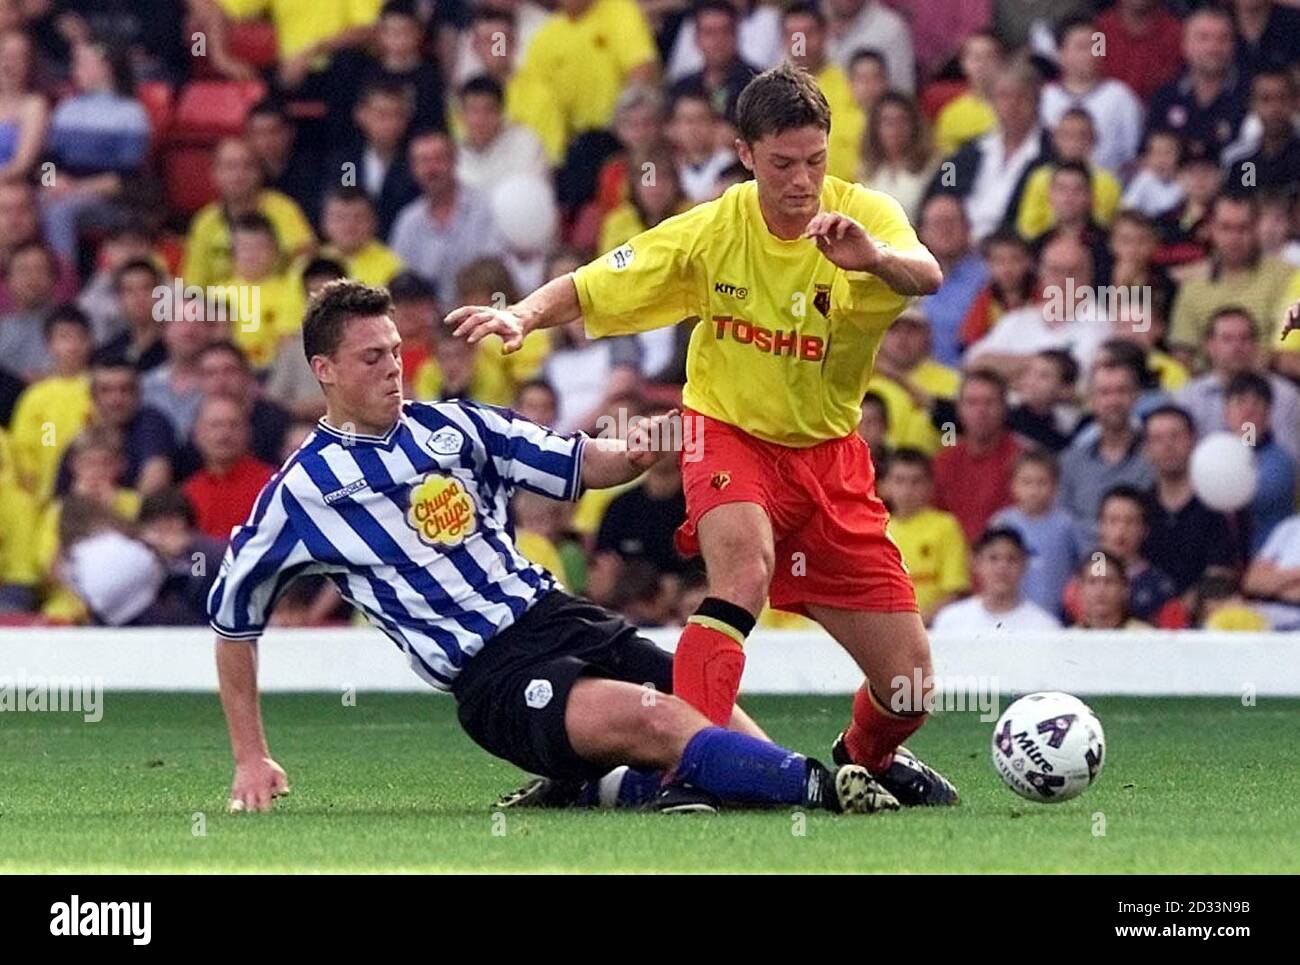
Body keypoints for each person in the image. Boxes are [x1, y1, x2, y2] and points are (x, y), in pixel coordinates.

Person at [446, 63, 956, 807]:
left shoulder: (863, 216)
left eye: (815, 160)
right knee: (742, 577)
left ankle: (865, 758)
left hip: (831, 461)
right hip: (728, 436)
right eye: (782, 163)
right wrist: (522, 314)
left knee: (909, 687)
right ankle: (688, 763)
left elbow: (929, 273)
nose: (802, 180)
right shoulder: (713, 230)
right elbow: (598, 282)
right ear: (745, 154)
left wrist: (873, 259)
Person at [212, 279, 894, 816]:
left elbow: (586, 464)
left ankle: (601, 787)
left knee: (724, 734)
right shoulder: (303, 491)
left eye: (395, 350)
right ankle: (833, 789)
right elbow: (233, 619)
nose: (394, 368)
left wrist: (673, 430)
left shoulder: (455, 425)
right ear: (324, 370)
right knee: (663, 724)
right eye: (372, 357)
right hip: (495, 679)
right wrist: (250, 756)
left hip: (561, 617)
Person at [878, 449, 969, 627]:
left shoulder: (946, 526)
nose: (907, 490)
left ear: (930, 485)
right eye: (899, 481)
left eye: (916, 481)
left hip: (935, 630)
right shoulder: (876, 530)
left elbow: (954, 589)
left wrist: (916, 624)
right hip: (886, 632)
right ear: (885, 486)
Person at [930, 368, 1019, 544]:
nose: (981, 411)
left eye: (989, 402)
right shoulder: (943, 462)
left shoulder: (1021, 461)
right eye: (972, 403)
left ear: (1004, 408)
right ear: (959, 409)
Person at [991, 450, 1082, 617]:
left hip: (1055, 614)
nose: (1034, 490)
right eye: (1026, 482)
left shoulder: (1067, 525)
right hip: (1010, 613)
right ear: (1013, 485)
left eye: (1042, 483)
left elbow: (1080, 566)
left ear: (1055, 486)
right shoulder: (1001, 523)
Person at [931, 527, 1060, 633]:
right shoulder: (950, 620)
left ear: (1024, 565)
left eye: (1011, 559)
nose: (1002, 567)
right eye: (993, 558)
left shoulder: (1045, 627)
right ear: (977, 563)